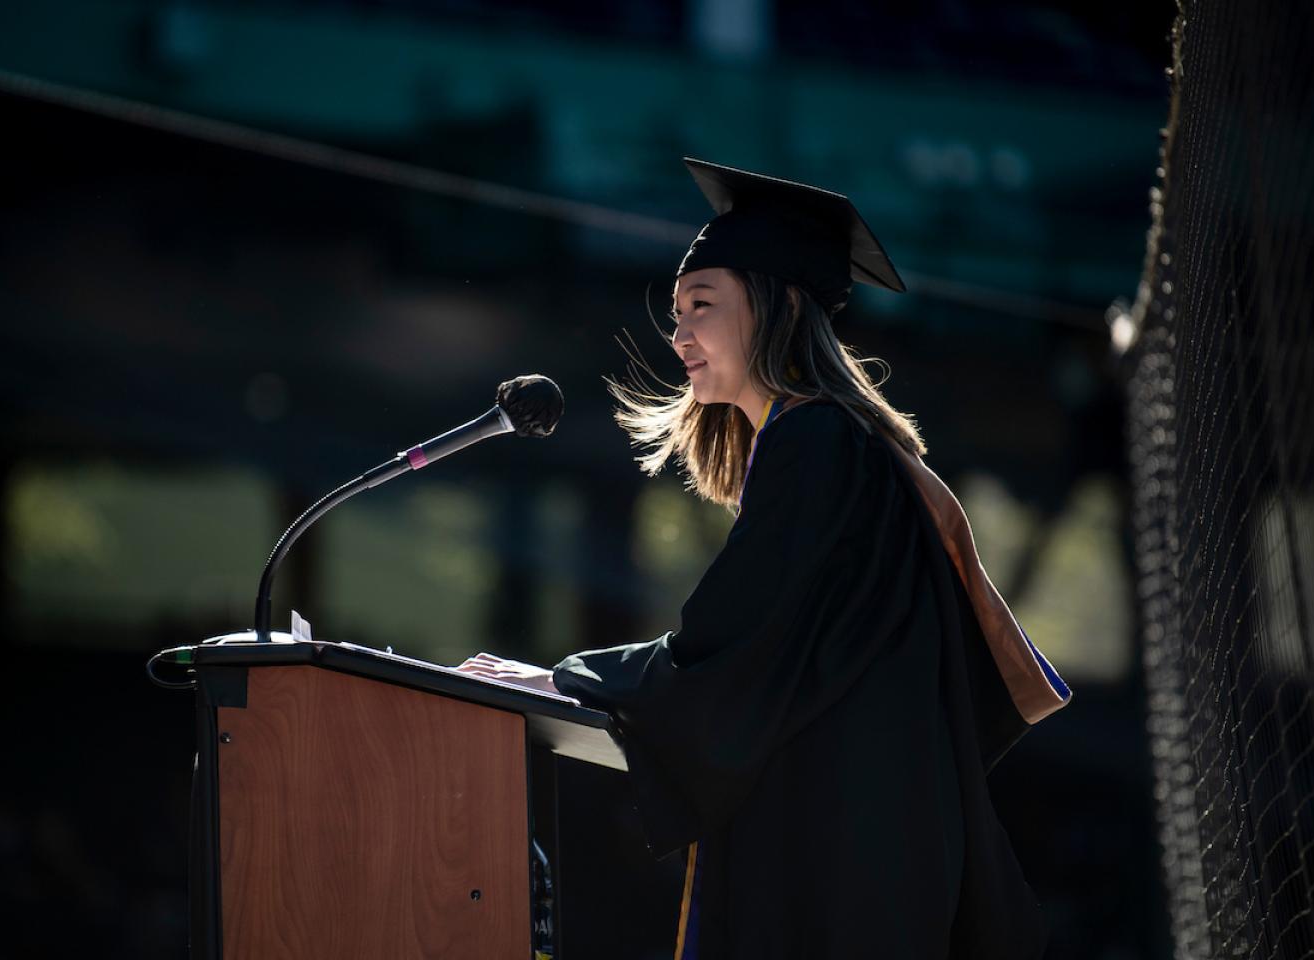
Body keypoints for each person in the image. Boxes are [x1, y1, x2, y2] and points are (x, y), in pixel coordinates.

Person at [455, 157, 1072, 958]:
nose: (677, 336)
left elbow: (733, 653)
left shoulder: (816, 445)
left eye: (701, 307)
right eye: (676, 313)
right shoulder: (840, 447)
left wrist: (560, 681)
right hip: (867, 841)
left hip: (837, 860)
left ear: (777, 305)